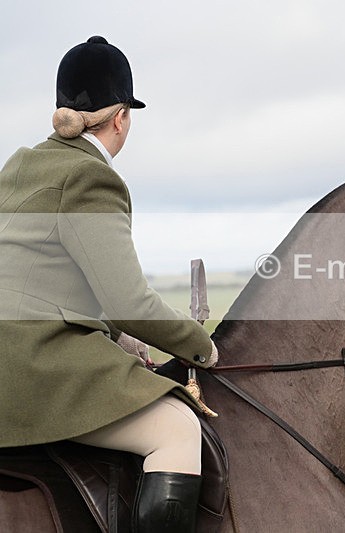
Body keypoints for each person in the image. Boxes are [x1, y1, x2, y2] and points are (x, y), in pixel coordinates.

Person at [0, 36, 217, 532]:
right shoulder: (92, 178)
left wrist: (119, 340)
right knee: (178, 431)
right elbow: (127, 301)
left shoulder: (19, 165)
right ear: (121, 117)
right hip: (32, 364)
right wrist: (201, 345)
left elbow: (43, 275)